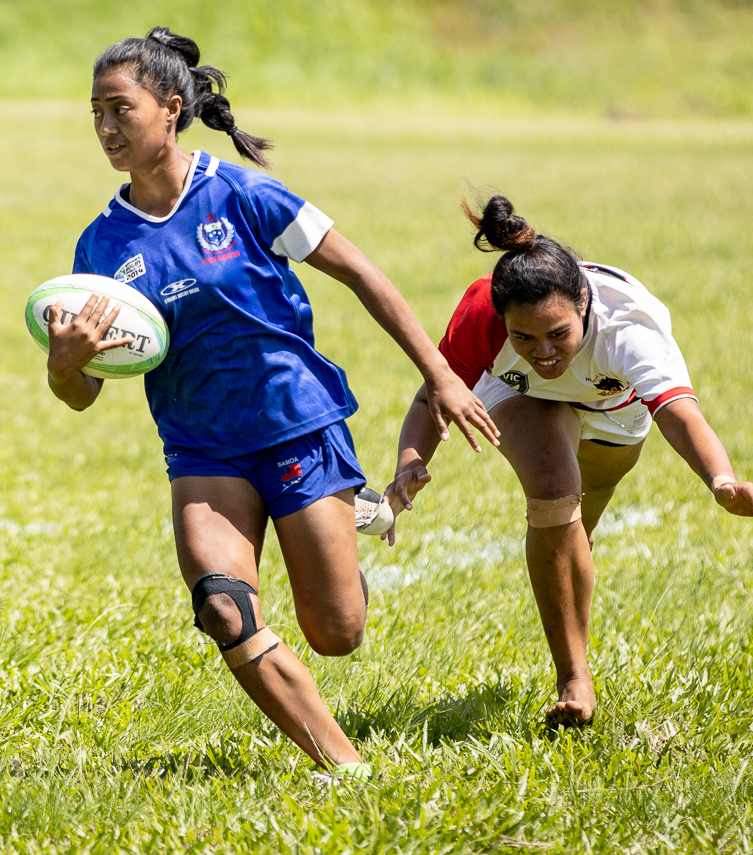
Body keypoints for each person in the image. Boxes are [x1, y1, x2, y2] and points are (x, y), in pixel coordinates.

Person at [44, 27, 495, 775]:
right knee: (223, 604)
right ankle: (346, 770)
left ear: (171, 105)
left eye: (120, 108)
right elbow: (81, 393)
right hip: (202, 446)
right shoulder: (100, 247)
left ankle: (349, 508)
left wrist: (441, 375)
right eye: (95, 112)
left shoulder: (243, 194)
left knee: (337, 631)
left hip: (295, 426)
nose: (105, 127)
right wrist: (66, 366)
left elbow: (363, 273)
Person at [383, 194, 753, 727]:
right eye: (524, 337)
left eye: (558, 334)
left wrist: (722, 482)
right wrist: (408, 464)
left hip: (614, 412)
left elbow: (679, 413)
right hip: (524, 397)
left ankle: (572, 603)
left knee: (580, 529)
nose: (544, 350)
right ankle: (574, 677)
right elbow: (432, 394)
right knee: (554, 494)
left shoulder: (629, 330)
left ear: (583, 302)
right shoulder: (482, 315)